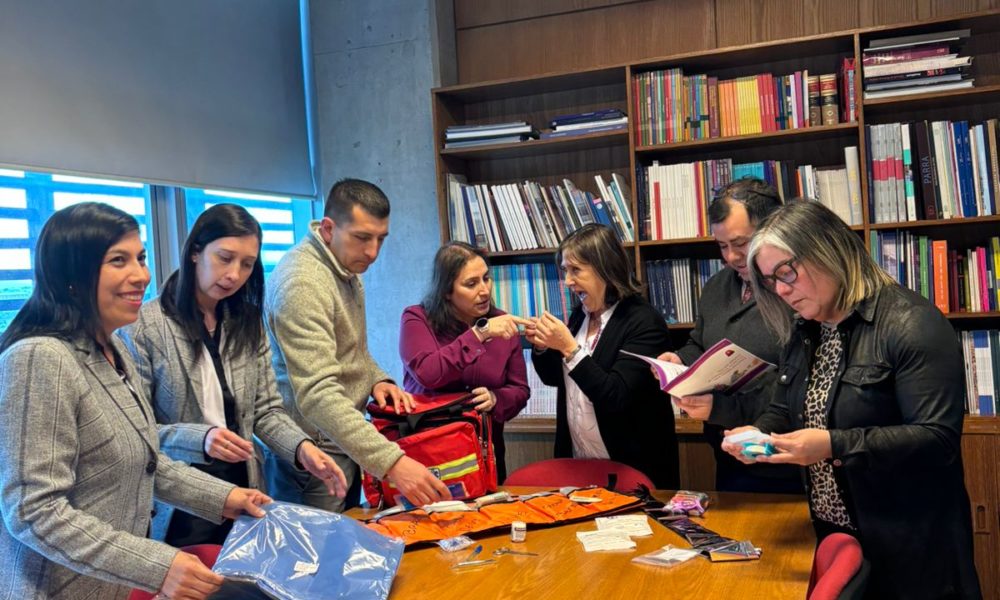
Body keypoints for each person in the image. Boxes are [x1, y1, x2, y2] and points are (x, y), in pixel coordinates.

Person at [0, 202, 269, 600]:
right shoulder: (41, 357)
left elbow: (146, 463)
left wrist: (225, 497)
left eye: (141, 258)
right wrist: (158, 565)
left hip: (113, 586)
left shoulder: (111, 350)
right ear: (71, 274)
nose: (140, 275)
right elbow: (33, 511)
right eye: (118, 260)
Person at [722, 200, 980, 598]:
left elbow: (937, 438)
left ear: (829, 249)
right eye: (772, 281)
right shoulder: (806, 327)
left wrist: (832, 444)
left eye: (787, 272)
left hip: (908, 541)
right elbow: (783, 407)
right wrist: (758, 433)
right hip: (834, 537)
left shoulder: (911, 323)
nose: (783, 290)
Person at [119, 204, 348, 546]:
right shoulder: (143, 327)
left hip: (244, 484)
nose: (234, 274)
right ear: (195, 252)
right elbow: (135, 433)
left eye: (246, 264)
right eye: (224, 258)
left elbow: (266, 410)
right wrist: (201, 438)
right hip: (181, 496)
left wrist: (302, 449)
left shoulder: (246, 321)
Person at [264, 178, 450, 510]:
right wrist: (394, 463)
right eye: (362, 238)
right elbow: (318, 396)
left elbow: (352, 351)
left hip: (339, 439)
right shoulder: (303, 284)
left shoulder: (342, 264)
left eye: (381, 239)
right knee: (317, 558)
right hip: (312, 450)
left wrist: (376, 378)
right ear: (328, 227)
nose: (373, 252)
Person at [656, 178, 800, 493]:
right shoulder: (718, 286)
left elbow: (800, 387)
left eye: (741, 243)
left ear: (773, 229)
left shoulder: (796, 290)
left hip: (788, 462)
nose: (732, 257)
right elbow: (701, 342)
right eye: (722, 246)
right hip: (727, 451)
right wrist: (680, 360)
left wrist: (720, 408)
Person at [526, 224, 678, 488]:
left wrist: (569, 349)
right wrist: (541, 346)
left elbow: (615, 396)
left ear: (605, 268)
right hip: (579, 466)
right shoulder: (579, 316)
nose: (568, 282)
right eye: (565, 271)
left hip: (633, 471)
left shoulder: (643, 321)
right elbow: (556, 378)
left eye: (576, 270)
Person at [399, 242, 531, 482]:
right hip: (429, 455)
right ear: (446, 291)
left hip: (486, 454)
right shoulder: (417, 318)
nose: (484, 290)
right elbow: (428, 373)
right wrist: (480, 334)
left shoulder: (501, 321)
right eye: (471, 284)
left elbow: (520, 390)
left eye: (486, 279)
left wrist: (496, 399)